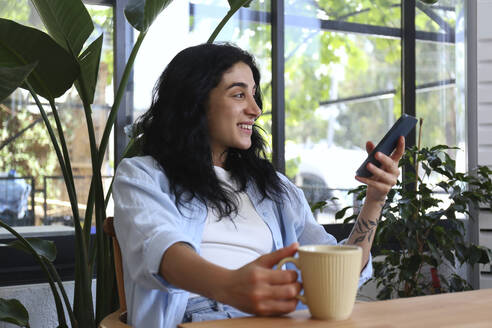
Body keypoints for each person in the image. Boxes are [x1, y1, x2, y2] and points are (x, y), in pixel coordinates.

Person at [113, 43, 404, 328]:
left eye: (254, 95)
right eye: (239, 94)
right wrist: (230, 285)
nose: (255, 109)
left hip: (278, 318)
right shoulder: (142, 175)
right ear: (195, 102)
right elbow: (162, 251)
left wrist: (374, 200)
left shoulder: (275, 187)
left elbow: (340, 270)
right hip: (194, 317)